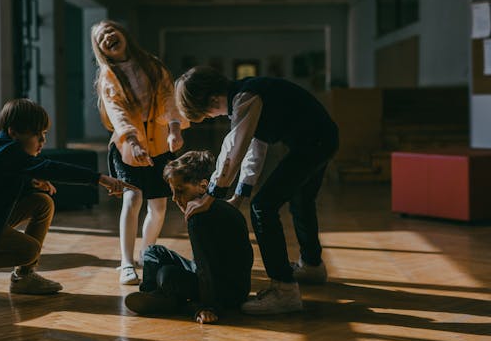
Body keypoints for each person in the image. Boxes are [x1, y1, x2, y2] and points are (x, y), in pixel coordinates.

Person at [175, 66, 339, 315]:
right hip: (321, 139)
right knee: (301, 200)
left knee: (263, 207)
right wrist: (239, 195)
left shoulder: (245, 97)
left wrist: (212, 196)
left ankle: (284, 290)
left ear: (211, 100)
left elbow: (234, 149)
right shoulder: (248, 94)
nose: (213, 117)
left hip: (314, 143)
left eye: (208, 115)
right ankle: (312, 266)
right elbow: (255, 149)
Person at [0, 98, 135, 301]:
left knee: (42, 203)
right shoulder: (7, 152)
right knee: (29, 250)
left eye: (43, 134)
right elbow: (50, 167)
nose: (42, 141)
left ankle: (23, 278)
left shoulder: (4, 148)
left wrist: (30, 183)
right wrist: (99, 178)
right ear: (13, 133)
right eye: (37, 135)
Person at [91, 20, 188, 285]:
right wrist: (132, 141)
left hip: (158, 144)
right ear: (101, 50)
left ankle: (148, 254)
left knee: (158, 206)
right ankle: (126, 261)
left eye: (111, 31)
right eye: (101, 38)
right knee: (132, 198)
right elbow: (117, 113)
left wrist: (175, 129)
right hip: (127, 145)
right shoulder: (108, 76)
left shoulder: (152, 65)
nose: (108, 37)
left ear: (123, 34)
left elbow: (169, 98)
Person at [124, 150, 252, 324]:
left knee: (166, 274)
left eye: (180, 191)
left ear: (203, 186)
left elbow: (204, 266)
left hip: (225, 291)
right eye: (173, 192)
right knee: (153, 251)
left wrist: (206, 307)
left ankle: (168, 300)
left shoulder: (198, 218)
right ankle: (153, 296)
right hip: (225, 281)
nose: (176, 199)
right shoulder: (218, 206)